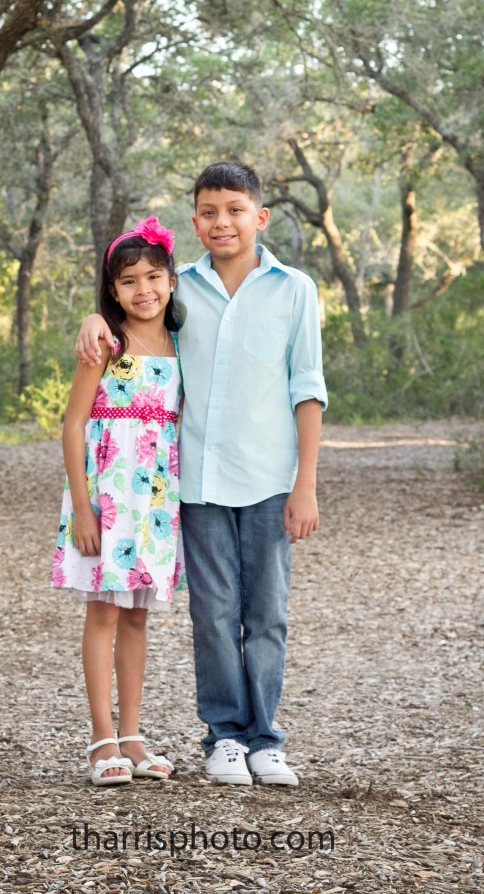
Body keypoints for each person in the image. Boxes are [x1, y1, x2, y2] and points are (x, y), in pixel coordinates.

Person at [77, 162, 327, 787]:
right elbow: (128, 309)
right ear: (195, 223)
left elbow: (307, 387)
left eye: (235, 210)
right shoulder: (177, 287)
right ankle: (224, 739)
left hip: (270, 477)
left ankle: (265, 738)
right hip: (196, 483)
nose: (223, 222)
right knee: (213, 615)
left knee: (266, 613)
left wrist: (307, 482)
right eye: (210, 212)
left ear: (259, 217)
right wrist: (91, 319)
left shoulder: (294, 289)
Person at [52, 216, 186, 786]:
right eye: (128, 281)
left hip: (155, 498)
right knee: (103, 611)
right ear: (112, 291)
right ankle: (101, 740)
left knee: (137, 617)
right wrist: (83, 510)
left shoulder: (181, 342)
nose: (143, 290)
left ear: (172, 281)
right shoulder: (107, 342)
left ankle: (132, 737)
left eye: (153, 277)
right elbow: (73, 424)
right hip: (107, 496)